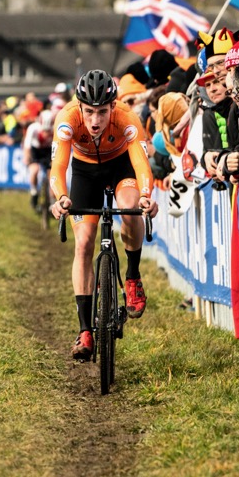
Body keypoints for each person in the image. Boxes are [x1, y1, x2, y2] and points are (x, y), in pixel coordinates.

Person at [49, 69, 156, 361]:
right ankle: (85, 330)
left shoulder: (127, 119)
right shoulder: (66, 119)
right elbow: (58, 168)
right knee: (83, 243)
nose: (95, 121)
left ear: (113, 107)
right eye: (89, 112)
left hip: (121, 166)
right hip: (85, 172)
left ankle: (132, 277)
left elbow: (142, 166)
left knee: (131, 211)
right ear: (79, 107)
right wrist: (61, 198)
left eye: (102, 112)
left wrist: (146, 196)